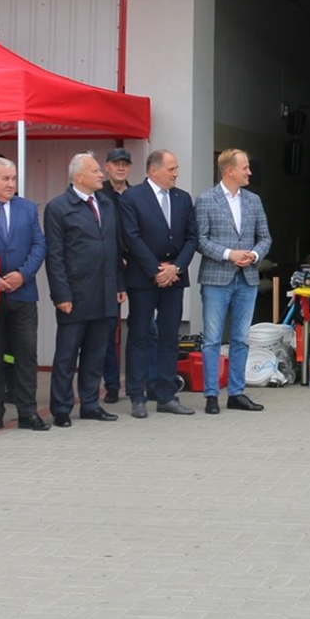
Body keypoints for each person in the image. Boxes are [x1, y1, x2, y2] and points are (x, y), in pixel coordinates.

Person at [43, 153, 124, 425]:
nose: (101, 175)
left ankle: (90, 403)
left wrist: (119, 284)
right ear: (79, 177)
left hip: (104, 292)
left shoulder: (107, 204)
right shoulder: (59, 207)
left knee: (96, 353)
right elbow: (54, 256)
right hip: (75, 295)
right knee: (67, 355)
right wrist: (61, 294)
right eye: (95, 171)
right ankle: (62, 408)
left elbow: (113, 247)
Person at [118, 149, 199, 418]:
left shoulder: (183, 198)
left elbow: (192, 237)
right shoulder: (132, 197)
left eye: (176, 168)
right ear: (153, 171)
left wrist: (175, 267)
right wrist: (155, 270)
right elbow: (131, 237)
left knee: (168, 338)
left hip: (174, 278)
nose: (176, 173)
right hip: (143, 279)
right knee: (139, 337)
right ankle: (137, 396)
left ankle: (166, 395)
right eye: (171, 169)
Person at [0, 157, 49, 432]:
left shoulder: (27, 208)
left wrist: (23, 274)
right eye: (5, 179)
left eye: (13, 179)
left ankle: (28, 412)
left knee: (26, 355)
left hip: (23, 293)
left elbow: (39, 246)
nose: (11, 184)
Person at [194, 148, 271, 414]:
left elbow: (265, 237)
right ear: (229, 171)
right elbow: (200, 240)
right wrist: (229, 254)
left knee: (240, 338)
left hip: (247, 278)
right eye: (245, 167)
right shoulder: (206, 200)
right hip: (217, 278)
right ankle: (211, 395)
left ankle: (237, 393)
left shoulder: (254, 201)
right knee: (212, 339)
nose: (249, 172)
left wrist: (254, 254)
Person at [99, 147, 136, 403]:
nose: (120, 168)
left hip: (137, 266)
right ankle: (112, 385)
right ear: (107, 166)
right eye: (116, 164)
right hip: (110, 269)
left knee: (144, 328)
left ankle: (140, 382)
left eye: (125, 164)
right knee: (108, 330)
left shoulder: (138, 195)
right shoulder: (99, 195)